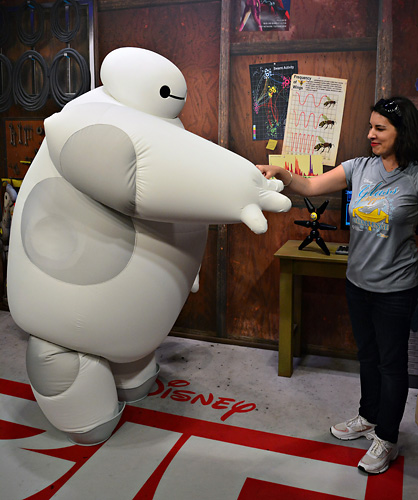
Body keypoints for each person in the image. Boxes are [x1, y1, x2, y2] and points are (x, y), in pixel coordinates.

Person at [257, 96, 418, 475]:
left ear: (403, 132)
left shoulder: (415, 178)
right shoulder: (359, 167)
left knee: (391, 365)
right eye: (370, 126)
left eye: (380, 129)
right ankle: (368, 417)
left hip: (396, 289)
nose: (370, 135)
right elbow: (310, 185)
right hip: (357, 282)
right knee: (367, 355)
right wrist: (281, 172)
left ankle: (388, 438)